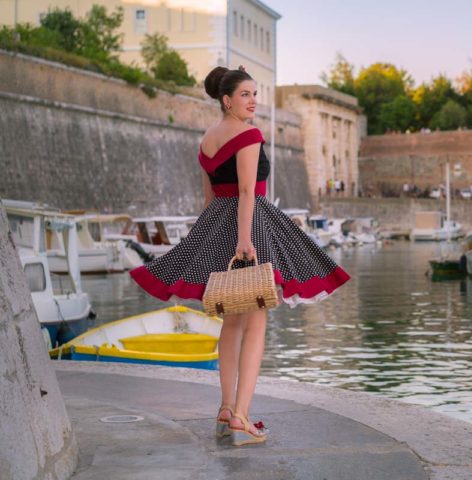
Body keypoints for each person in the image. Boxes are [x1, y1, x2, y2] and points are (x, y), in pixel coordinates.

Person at [129, 65, 351, 447]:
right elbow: (248, 192)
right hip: (250, 228)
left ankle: (226, 409)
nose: (253, 101)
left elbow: (210, 199)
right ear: (226, 100)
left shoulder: (207, 139)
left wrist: (211, 240)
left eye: (254, 94)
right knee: (257, 321)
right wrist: (245, 241)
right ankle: (242, 420)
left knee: (232, 323)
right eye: (245, 95)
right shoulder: (249, 134)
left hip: (219, 223)